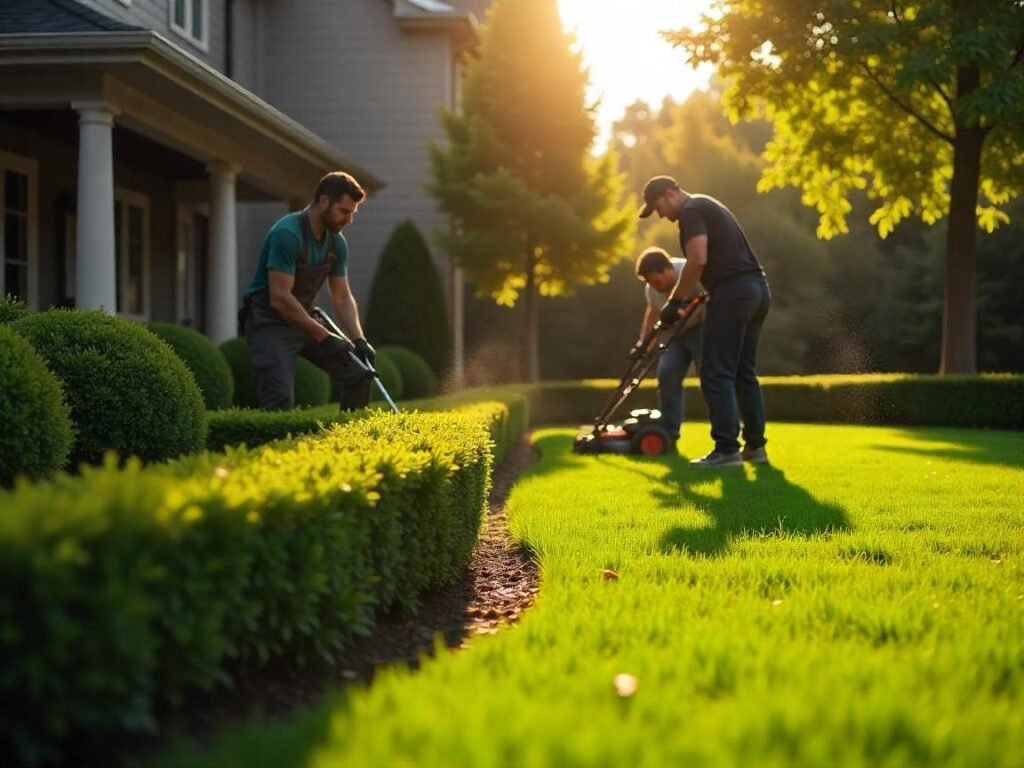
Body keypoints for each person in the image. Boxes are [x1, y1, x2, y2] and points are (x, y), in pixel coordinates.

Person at [638, 175, 771, 467]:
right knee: (743, 372)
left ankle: (726, 450)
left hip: (732, 294)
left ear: (670, 194)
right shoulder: (709, 205)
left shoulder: (691, 212)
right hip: (757, 290)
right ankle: (755, 449)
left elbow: (697, 259)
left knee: (715, 371)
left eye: (658, 207)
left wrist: (673, 303)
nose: (660, 214)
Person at [240, 171, 374, 412]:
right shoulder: (287, 234)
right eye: (344, 211)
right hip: (270, 322)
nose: (349, 220)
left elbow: (342, 296)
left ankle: (349, 443)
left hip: (306, 317)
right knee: (278, 402)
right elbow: (280, 297)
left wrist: (358, 339)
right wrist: (323, 336)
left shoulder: (336, 242)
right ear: (324, 201)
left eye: (353, 213)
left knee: (360, 375)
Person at [632, 246, 705, 452]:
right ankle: (669, 435)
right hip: (674, 336)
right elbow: (652, 314)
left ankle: (726, 437)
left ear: (668, 270)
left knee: (710, 378)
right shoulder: (652, 289)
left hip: (702, 330)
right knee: (666, 374)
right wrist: (643, 345)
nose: (654, 287)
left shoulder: (689, 272)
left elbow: (709, 302)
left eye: (657, 281)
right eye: (649, 283)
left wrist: (687, 316)